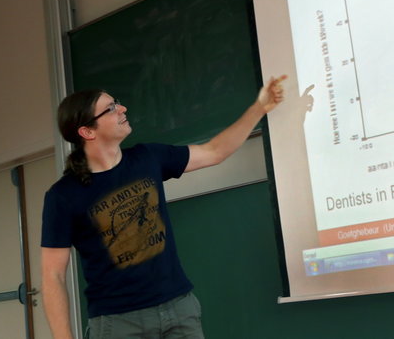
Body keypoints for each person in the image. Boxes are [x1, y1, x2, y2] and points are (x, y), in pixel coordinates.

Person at [40, 75, 288, 339]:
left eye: (117, 103)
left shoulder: (148, 157)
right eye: (110, 108)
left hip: (179, 309)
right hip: (119, 323)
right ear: (87, 132)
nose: (122, 109)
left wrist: (259, 108)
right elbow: (53, 275)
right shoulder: (63, 196)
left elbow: (215, 151)